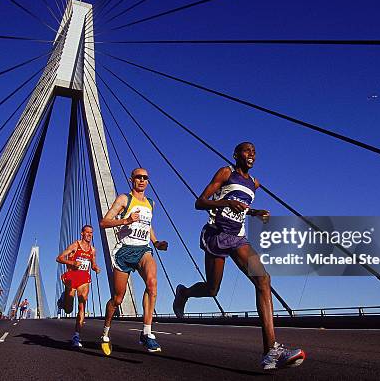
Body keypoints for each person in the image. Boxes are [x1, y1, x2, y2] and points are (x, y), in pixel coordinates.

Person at [172, 142, 306, 370]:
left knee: (263, 279)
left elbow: (241, 207)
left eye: (254, 151)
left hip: (238, 237)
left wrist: (254, 212)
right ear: (236, 155)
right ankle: (183, 293)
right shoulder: (226, 173)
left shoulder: (255, 184)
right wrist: (226, 202)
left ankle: (270, 351)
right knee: (212, 289)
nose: (251, 154)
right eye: (246, 150)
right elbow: (200, 202)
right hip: (216, 235)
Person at [99, 168, 168, 355]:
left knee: (152, 284)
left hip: (143, 250)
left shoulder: (151, 203)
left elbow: (148, 226)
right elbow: (104, 222)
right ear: (132, 180)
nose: (142, 180)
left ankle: (146, 333)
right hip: (124, 251)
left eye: (146, 177)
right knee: (118, 299)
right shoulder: (124, 199)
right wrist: (126, 220)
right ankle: (105, 332)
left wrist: (156, 242)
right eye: (139, 177)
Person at [56, 225, 100, 348]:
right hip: (71, 278)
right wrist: (72, 262)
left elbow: (93, 264)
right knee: (69, 309)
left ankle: (76, 336)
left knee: (82, 303)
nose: (90, 235)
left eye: (91, 233)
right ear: (82, 233)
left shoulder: (92, 250)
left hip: (84, 279)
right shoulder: (75, 246)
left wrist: (95, 267)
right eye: (87, 232)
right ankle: (63, 300)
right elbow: (59, 258)